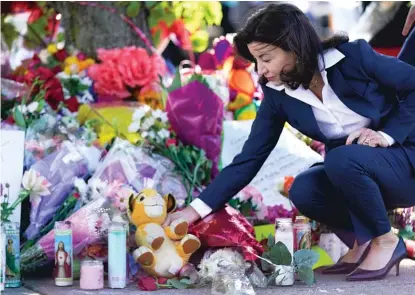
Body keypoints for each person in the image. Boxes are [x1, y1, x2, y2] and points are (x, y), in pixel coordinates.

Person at [163, 3, 415, 281]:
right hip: (360, 172)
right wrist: (194, 210)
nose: (261, 69)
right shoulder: (278, 95)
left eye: (266, 58)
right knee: (305, 188)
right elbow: (249, 159)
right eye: (256, 61)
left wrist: (386, 135)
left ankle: (386, 240)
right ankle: (363, 240)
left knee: (340, 158)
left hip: (406, 159)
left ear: (294, 46)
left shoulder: (354, 57)